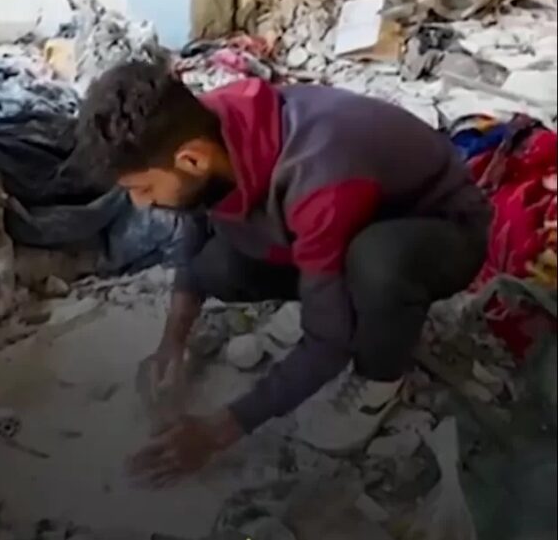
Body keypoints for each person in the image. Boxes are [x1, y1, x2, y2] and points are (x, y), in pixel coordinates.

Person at [76, 60, 491, 486]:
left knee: (377, 265)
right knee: (218, 267)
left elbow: (326, 346)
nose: (142, 205)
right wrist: (173, 341)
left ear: (192, 160)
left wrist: (218, 431)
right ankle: (334, 291)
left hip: (441, 230)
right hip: (346, 215)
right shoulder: (203, 126)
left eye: (142, 190)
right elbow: (198, 219)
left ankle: (379, 378)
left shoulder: (317, 177)